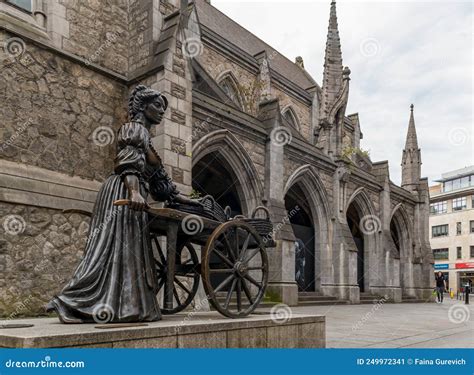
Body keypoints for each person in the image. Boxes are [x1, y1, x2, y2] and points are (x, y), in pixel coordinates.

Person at [47, 85, 197, 323]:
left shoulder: (147, 141)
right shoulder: (133, 129)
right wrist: (135, 192)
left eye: (164, 107)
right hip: (123, 192)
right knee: (105, 250)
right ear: (142, 106)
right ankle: (68, 301)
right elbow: (128, 163)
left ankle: (126, 308)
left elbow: (163, 187)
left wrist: (191, 202)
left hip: (133, 194)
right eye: (157, 105)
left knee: (126, 254)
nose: (162, 111)